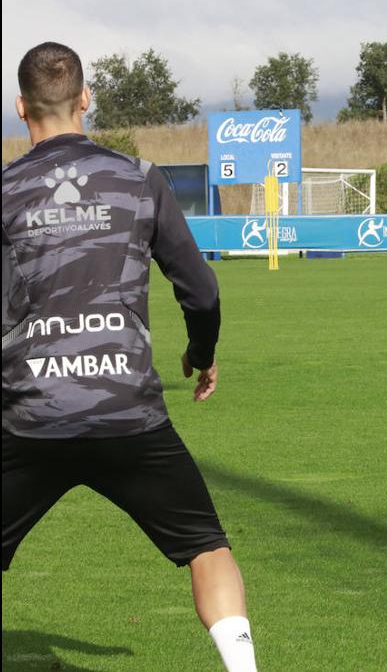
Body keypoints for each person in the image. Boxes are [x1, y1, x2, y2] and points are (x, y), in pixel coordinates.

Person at [1, 42, 257, 672]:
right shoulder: (141, 178)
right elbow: (200, 288)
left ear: (20, 107)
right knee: (207, 548)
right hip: (128, 410)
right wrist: (201, 351)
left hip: (30, 414)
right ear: (85, 98)